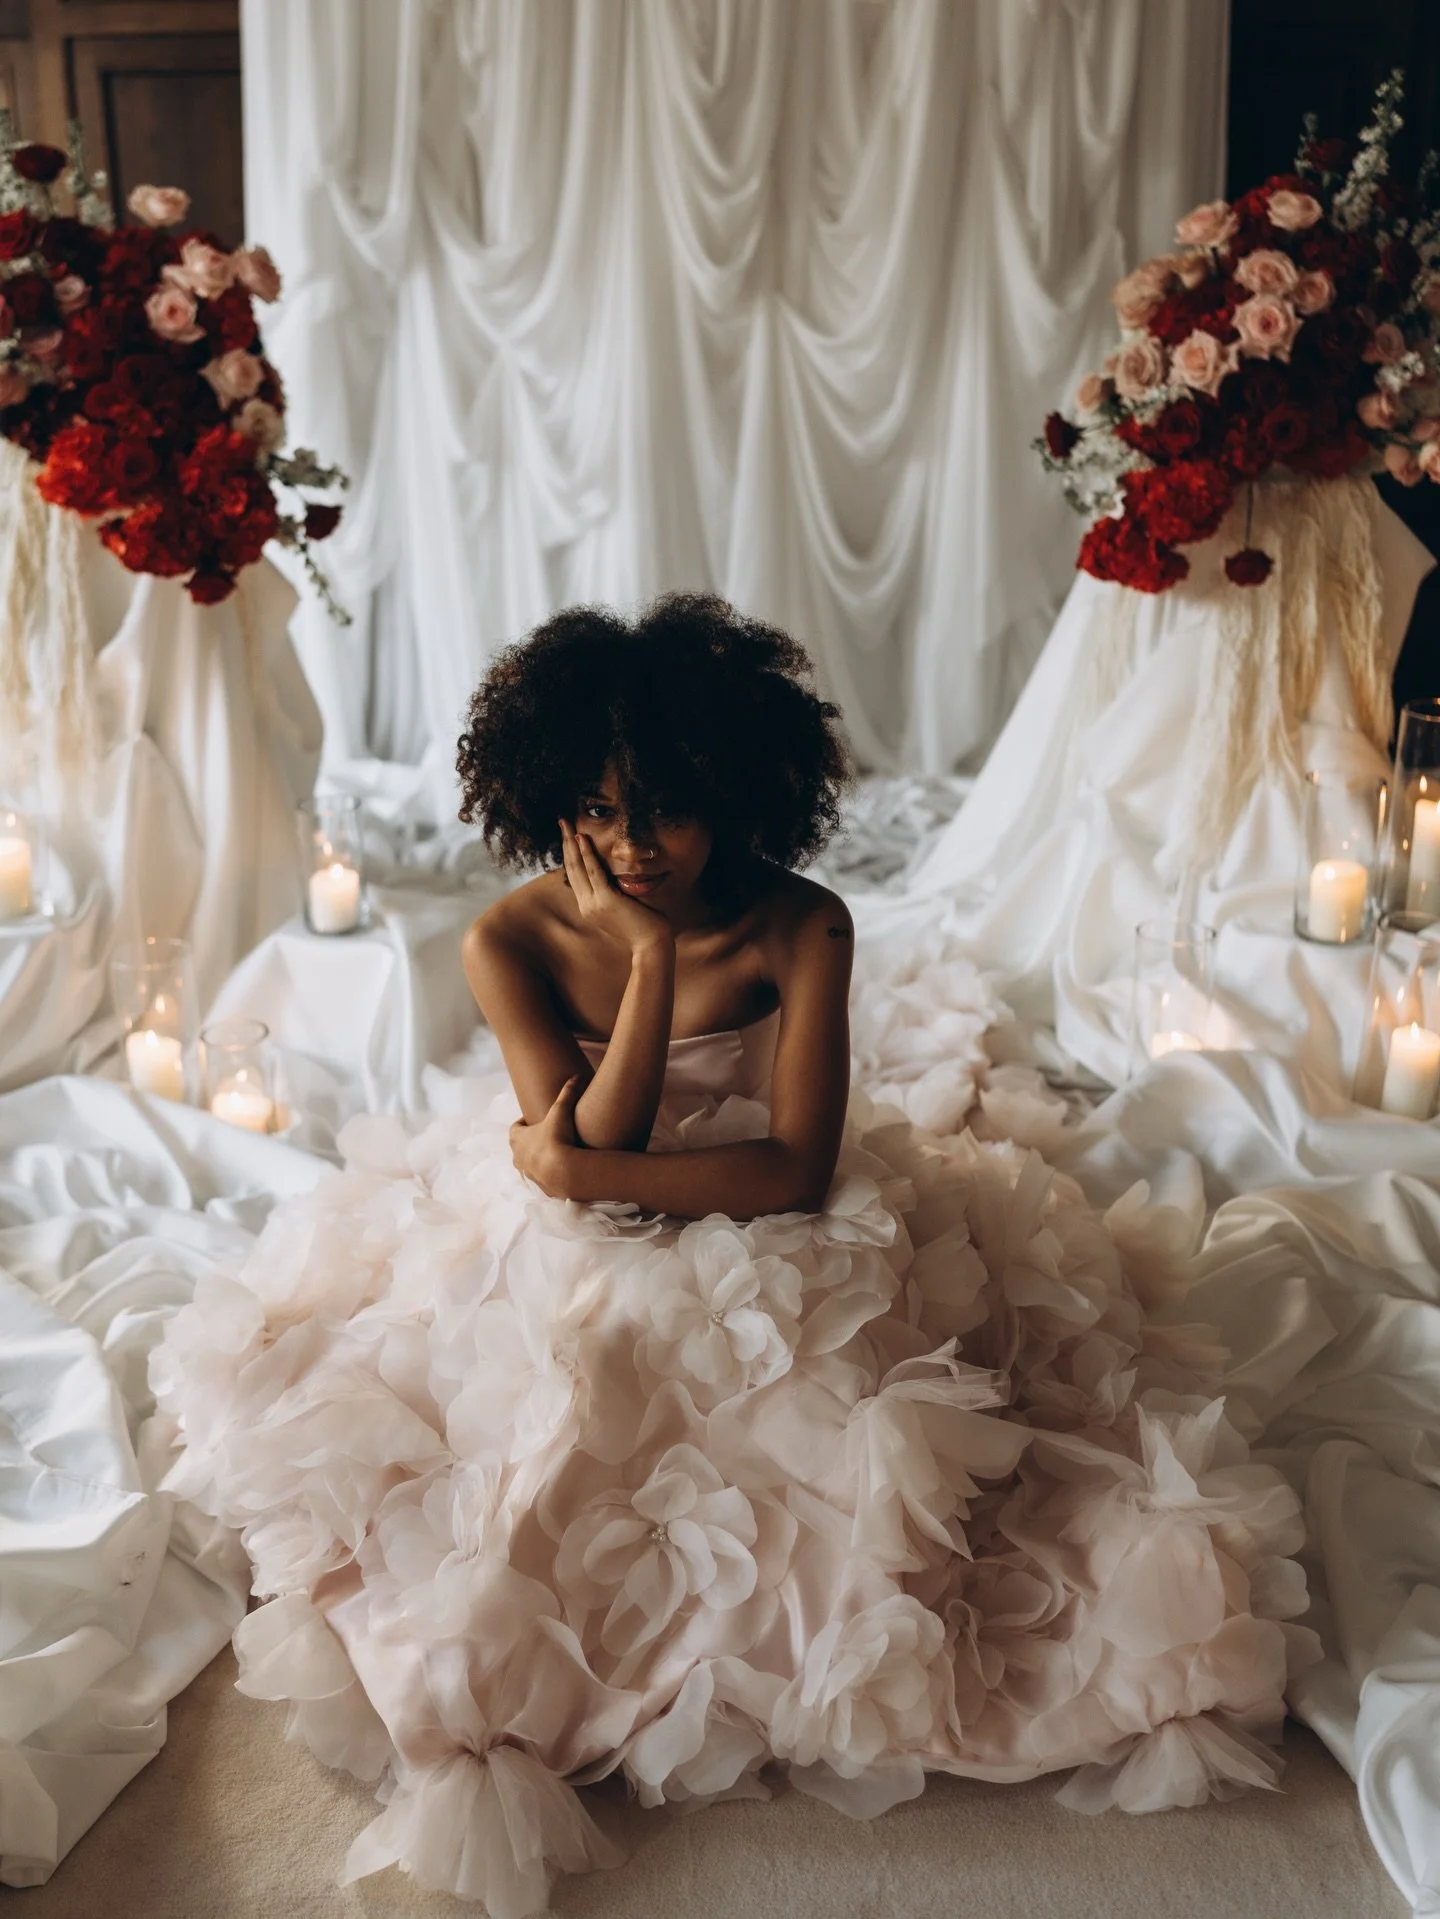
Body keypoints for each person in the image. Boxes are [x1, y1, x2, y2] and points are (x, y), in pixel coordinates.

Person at [151, 595, 1318, 1918]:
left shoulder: (802, 924)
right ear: (552, 802)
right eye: (599, 810)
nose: (632, 846)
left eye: (667, 811)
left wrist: (584, 1167)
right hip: (585, 1218)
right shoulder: (512, 938)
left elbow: (789, 1170)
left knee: (829, 1409)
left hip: (776, 1222)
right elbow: (601, 1136)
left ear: (735, 793)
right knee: (572, 1361)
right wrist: (645, 970)